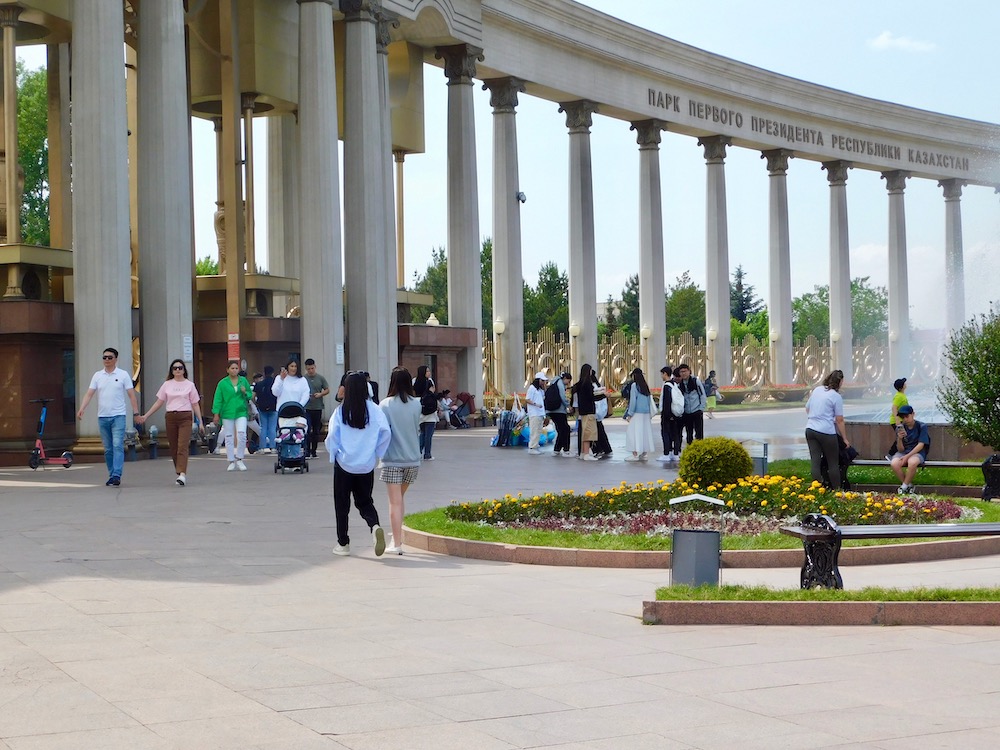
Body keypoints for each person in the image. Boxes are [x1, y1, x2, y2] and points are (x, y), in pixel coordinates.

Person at [325, 372, 390, 557]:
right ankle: (374, 526)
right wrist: (377, 453)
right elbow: (386, 433)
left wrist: (334, 455)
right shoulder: (375, 410)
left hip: (344, 464)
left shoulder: (340, 411)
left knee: (342, 504)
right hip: (366, 465)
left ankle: (343, 543)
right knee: (365, 501)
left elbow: (332, 438)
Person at [77, 347, 140, 487]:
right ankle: (112, 474)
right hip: (103, 417)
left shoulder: (123, 375)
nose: (106, 360)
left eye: (110, 357)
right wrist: (82, 408)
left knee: (117, 445)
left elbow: (131, 395)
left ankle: (117, 474)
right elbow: (89, 393)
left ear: (116, 359)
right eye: (104, 357)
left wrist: (136, 413)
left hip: (118, 416)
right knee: (108, 449)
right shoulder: (97, 376)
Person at [136, 359, 204, 486]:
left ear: (184, 370)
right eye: (175, 368)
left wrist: (200, 421)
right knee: (173, 447)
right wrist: (146, 416)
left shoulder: (189, 385)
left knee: (182, 445)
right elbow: (159, 402)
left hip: (185, 416)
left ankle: (182, 473)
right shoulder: (167, 384)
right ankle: (179, 471)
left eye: (180, 368)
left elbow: (195, 404)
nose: (177, 370)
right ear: (172, 371)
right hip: (171, 417)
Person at [378, 367, 422, 554]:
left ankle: (396, 544)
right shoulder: (416, 403)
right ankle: (397, 535)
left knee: (394, 502)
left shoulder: (385, 405)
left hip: (392, 459)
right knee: (400, 499)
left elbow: (382, 431)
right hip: (413, 458)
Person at [804, 369, 850, 489]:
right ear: (839, 382)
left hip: (810, 429)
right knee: (833, 463)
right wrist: (844, 439)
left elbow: (807, 408)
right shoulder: (836, 397)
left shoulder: (817, 390)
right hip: (826, 432)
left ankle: (817, 489)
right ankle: (837, 491)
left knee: (815, 461)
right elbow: (839, 420)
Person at [212, 360, 253, 472]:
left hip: (241, 411)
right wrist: (216, 413)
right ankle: (231, 460)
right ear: (227, 370)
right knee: (229, 436)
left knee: (242, 434)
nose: (234, 370)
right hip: (227, 412)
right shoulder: (222, 383)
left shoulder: (243, 380)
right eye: (232, 368)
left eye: (236, 368)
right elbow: (218, 399)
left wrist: (245, 392)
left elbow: (250, 395)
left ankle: (239, 458)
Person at [890, 404, 930, 494]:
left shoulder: (921, 426)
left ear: (913, 414)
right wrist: (899, 439)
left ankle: (903, 488)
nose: (905, 419)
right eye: (902, 417)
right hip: (904, 452)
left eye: (907, 416)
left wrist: (907, 456)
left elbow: (921, 445)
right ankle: (909, 485)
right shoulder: (901, 428)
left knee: (912, 462)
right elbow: (900, 450)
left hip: (917, 452)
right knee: (894, 463)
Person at [623, 367, 655, 461]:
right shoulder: (645, 385)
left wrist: (630, 414)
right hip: (646, 413)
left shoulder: (634, 386)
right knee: (645, 432)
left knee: (633, 433)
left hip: (637, 412)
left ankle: (635, 454)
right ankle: (644, 454)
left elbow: (633, 401)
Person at [303, 358, 331, 458]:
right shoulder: (303, 379)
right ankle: (306, 450)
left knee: (315, 430)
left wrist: (320, 394)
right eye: (308, 369)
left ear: (315, 367)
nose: (310, 371)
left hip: (317, 407)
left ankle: (313, 451)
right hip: (307, 407)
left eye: (312, 368)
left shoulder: (320, 378)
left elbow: (327, 389)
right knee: (307, 428)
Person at [572, 363, 599, 461]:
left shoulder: (579, 384)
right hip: (589, 411)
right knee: (589, 433)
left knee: (584, 432)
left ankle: (583, 452)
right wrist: (603, 395)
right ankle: (587, 454)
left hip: (582, 411)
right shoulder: (588, 384)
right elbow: (591, 397)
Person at [656, 366, 683, 464]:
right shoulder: (674, 384)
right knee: (675, 434)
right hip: (675, 413)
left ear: (665, 373)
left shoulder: (667, 385)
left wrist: (667, 415)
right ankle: (675, 453)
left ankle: (666, 454)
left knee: (666, 433)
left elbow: (667, 401)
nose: (661, 376)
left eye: (662, 374)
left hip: (668, 414)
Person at [676, 364, 707, 446]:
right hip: (686, 412)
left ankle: (700, 449)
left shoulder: (695, 381)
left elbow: (702, 394)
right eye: (681, 372)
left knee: (699, 433)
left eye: (685, 371)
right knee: (689, 434)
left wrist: (701, 408)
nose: (683, 373)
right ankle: (690, 450)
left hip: (696, 410)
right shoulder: (680, 384)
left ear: (689, 371)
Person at [412, 365, 437, 460]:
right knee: (429, 434)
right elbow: (432, 393)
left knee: (422, 432)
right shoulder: (429, 381)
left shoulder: (414, 381)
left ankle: (417, 452)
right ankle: (427, 454)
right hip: (429, 407)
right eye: (427, 371)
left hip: (418, 406)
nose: (429, 373)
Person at [546, 372, 573, 457]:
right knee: (565, 429)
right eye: (568, 381)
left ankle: (557, 450)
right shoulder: (560, 383)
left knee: (561, 430)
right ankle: (566, 450)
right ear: (565, 378)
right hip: (559, 410)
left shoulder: (553, 382)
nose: (568, 384)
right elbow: (562, 396)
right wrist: (568, 405)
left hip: (551, 410)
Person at [254, 365, 278, 454]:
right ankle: (273, 447)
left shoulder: (259, 384)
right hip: (273, 408)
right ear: (273, 373)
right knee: (272, 428)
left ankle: (262, 448)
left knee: (263, 427)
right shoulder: (275, 383)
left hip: (262, 408)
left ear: (264, 373)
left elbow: (253, 396)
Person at [886, 377, 909, 461]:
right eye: (904, 383)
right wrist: (897, 420)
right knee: (900, 437)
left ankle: (899, 454)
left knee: (902, 437)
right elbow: (894, 407)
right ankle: (890, 455)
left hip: (901, 420)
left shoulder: (901, 395)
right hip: (897, 421)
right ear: (901, 387)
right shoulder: (899, 396)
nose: (905, 384)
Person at [525, 372, 548, 455]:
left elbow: (545, 396)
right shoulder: (532, 388)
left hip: (540, 413)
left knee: (538, 430)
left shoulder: (539, 390)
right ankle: (532, 447)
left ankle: (535, 445)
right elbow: (527, 399)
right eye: (542, 380)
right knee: (534, 430)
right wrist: (535, 404)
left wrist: (544, 386)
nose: (543, 382)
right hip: (534, 413)